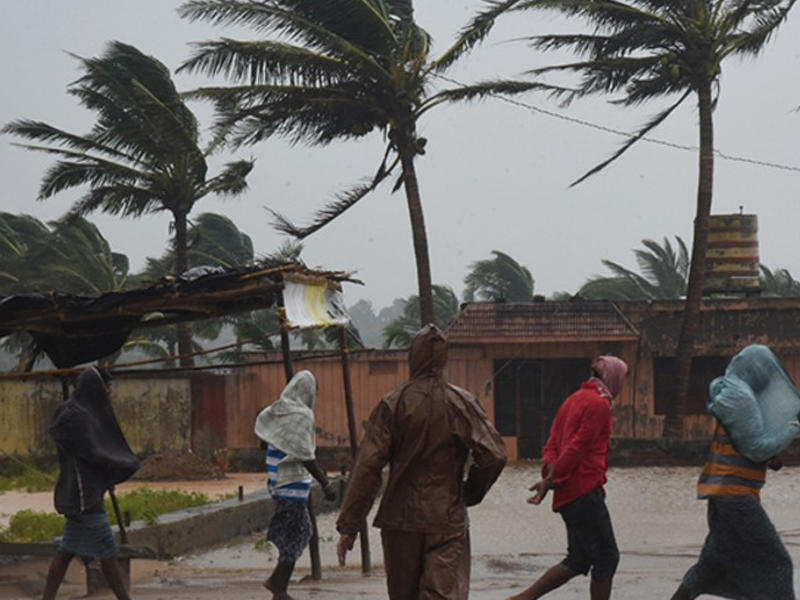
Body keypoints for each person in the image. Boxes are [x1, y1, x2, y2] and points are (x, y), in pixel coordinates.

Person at [336, 324, 507, 600]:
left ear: (411, 358)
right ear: (444, 359)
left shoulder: (392, 404)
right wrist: (469, 493)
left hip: (399, 522)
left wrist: (349, 525)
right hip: (447, 520)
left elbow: (368, 466)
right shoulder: (461, 402)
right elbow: (495, 454)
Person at [670, 348, 796, 600]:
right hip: (736, 497)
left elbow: (744, 445)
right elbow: (757, 448)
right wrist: (793, 429)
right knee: (778, 564)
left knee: (709, 569)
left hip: (723, 495)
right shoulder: (741, 400)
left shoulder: (734, 397)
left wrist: (771, 456)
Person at [508, 355, 629, 600]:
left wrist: (550, 476)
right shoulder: (599, 405)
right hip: (585, 491)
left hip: (569, 494)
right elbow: (578, 448)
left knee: (579, 559)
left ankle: (522, 599)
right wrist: (552, 480)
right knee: (607, 556)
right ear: (613, 378)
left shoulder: (572, 400)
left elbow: (552, 445)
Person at [44, 366, 140, 600]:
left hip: (80, 492)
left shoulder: (78, 412)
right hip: (83, 495)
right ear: (96, 387)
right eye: (106, 388)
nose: (109, 392)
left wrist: (106, 469)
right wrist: (114, 462)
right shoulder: (77, 415)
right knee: (107, 551)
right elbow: (93, 450)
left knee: (66, 551)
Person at [254, 370, 336, 600]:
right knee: (301, 532)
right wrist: (325, 483)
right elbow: (305, 455)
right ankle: (277, 584)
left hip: (277, 481)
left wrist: (280, 443)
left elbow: (263, 437)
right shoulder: (302, 415)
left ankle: (279, 583)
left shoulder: (277, 409)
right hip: (292, 484)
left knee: (297, 530)